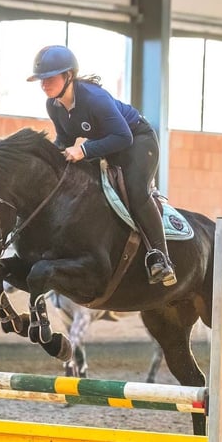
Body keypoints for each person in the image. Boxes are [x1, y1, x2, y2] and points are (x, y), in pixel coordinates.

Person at [27, 44, 176, 286]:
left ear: (69, 76)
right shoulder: (53, 105)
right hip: (108, 143)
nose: (44, 84)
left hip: (137, 141)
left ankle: (160, 257)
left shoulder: (94, 98)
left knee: (136, 190)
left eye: (49, 78)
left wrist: (84, 150)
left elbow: (123, 137)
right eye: (41, 79)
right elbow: (64, 140)